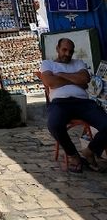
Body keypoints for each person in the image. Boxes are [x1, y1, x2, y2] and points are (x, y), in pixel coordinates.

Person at [39, 37, 107, 173]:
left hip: (83, 103)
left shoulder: (78, 63)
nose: (67, 54)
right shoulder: (47, 64)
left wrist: (61, 75)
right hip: (60, 103)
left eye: (70, 51)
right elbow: (50, 82)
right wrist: (75, 80)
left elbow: (85, 79)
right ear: (57, 49)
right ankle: (73, 155)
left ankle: (90, 150)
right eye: (64, 50)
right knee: (54, 125)